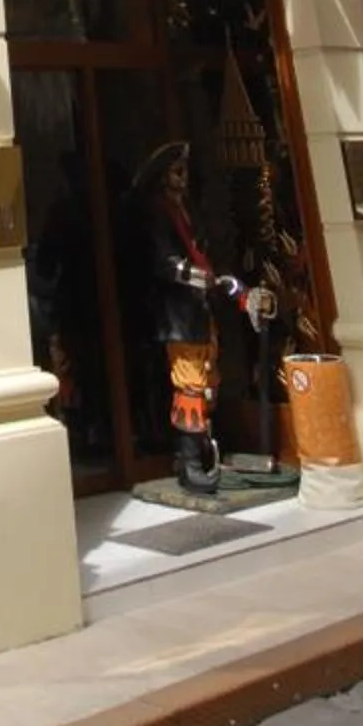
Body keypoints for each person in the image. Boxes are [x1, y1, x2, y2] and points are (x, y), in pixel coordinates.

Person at [131, 140, 245, 493]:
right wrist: (194, 275)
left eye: (185, 172)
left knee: (208, 379)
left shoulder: (187, 211)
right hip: (177, 313)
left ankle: (202, 452)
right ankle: (189, 460)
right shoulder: (156, 213)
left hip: (198, 308)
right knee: (190, 383)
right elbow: (161, 262)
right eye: (177, 172)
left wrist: (219, 281)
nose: (184, 179)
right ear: (164, 178)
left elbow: (201, 251)